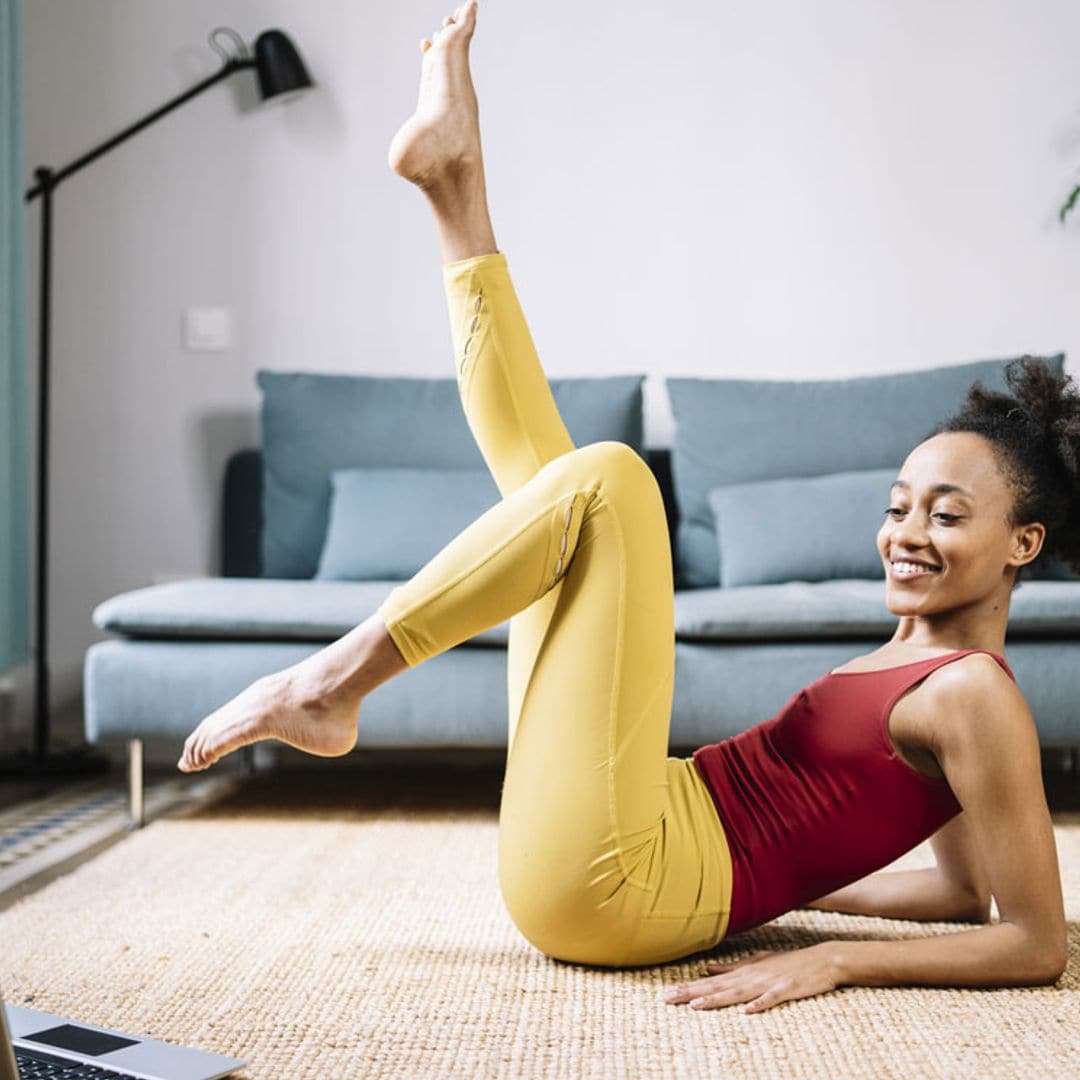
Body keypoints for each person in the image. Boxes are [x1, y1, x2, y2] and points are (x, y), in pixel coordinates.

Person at [177, 0, 1071, 1013]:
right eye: (899, 506)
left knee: (608, 481)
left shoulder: (975, 694)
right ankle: (453, 194)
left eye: (947, 517)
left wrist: (832, 956)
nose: (906, 535)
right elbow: (961, 889)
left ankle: (335, 681)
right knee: (555, 489)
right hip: (639, 836)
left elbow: (1032, 940)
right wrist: (800, 897)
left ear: (1022, 544)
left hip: (626, 883)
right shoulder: (922, 669)